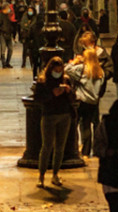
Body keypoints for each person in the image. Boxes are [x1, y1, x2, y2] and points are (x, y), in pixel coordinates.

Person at [33, 57, 75, 187]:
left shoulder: (66, 79)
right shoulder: (43, 81)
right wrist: (52, 94)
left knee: (60, 147)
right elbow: (38, 99)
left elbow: (73, 98)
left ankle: (55, 174)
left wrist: (69, 91)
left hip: (64, 115)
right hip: (49, 115)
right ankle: (41, 175)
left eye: (60, 69)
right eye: (55, 70)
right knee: (47, 146)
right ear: (50, 69)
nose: (58, 72)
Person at [66, 48, 105, 157]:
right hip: (92, 102)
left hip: (81, 100)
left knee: (74, 123)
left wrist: (74, 62)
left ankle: (73, 148)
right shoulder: (100, 71)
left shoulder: (82, 68)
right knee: (87, 125)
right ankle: (86, 151)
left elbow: (67, 70)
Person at [0, 3, 16, 68]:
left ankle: (7, 62)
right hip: (3, 34)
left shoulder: (9, 15)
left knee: (10, 49)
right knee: (3, 49)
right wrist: (3, 29)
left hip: (9, 34)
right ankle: (4, 63)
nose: (9, 9)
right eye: (8, 8)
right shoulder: (1, 15)